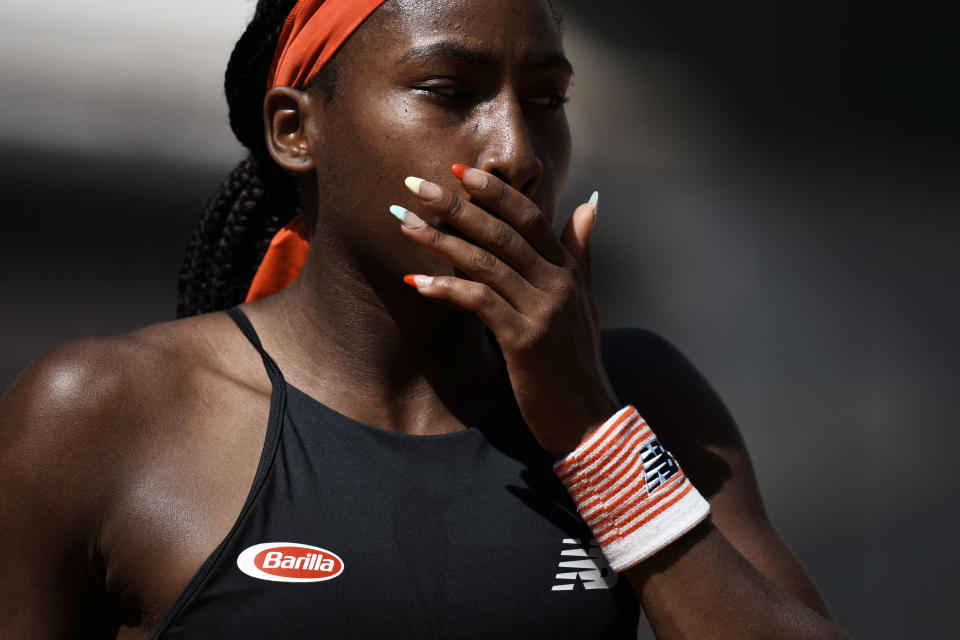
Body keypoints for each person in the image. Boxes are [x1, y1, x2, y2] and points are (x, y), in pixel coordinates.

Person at [0, 0, 849, 637]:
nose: (514, 152)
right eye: (451, 92)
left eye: (547, 102)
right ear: (297, 130)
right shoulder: (101, 413)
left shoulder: (641, 400)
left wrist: (593, 436)